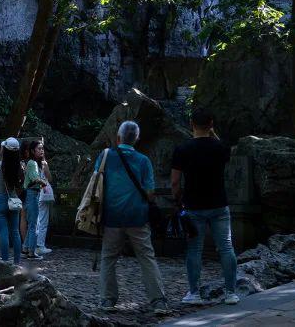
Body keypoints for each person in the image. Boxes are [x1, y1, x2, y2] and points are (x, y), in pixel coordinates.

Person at [95, 120, 169, 315]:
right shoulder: (143, 160)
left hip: (111, 217)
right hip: (138, 216)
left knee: (108, 258)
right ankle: (158, 301)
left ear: (118, 138)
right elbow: (150, 192)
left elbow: (96, 185)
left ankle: (107, 300)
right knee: (146, 257)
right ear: (137, 139)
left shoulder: (105, 156)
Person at [171, 108, 239, 306]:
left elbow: (175, 181)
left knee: (194, 249)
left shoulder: (182, 149)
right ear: (211, 125)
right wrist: (212, 132)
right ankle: (231, 292)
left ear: (191, 124)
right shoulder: (220, 148)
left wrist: (177, 200)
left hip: (193, 206)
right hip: (219, 204)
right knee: (226, 247)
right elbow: (223, 148)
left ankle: (194, 293)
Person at [21, 139, 45, 259]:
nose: (41, 151)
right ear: (32, 151)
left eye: (42, 148)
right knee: (34, 224)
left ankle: (26, 248)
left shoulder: (33, 163)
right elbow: (35, 178)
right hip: (32, 194)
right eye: (39, 149)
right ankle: (31, 252)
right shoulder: (32, 163)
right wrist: (44, 183)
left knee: (32, 223)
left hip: (31, 195)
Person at [37, 149, 54, 255]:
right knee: (43, 221)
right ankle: (40, 245)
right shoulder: (43, 163)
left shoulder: (30, 162)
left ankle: (33, 245)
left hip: (34, 193)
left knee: (35, 220)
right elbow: (49, 177)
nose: (42, 150)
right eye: (40, 149)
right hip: (43, 193)